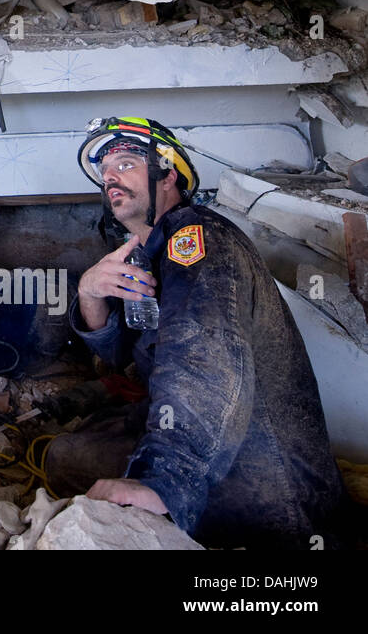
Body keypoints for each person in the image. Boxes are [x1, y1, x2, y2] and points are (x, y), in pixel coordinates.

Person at [47, 115, 347, 548]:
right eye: (105, 170)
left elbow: (202, 358)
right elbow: (121, 360)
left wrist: (165, 479)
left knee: (69, 460)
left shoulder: (198, 240)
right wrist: (90, 293)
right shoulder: (147, 255)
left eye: (127, 162)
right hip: (223, 443)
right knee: (74, 446)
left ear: (167, 174)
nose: (110, 175)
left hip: (271, 486)